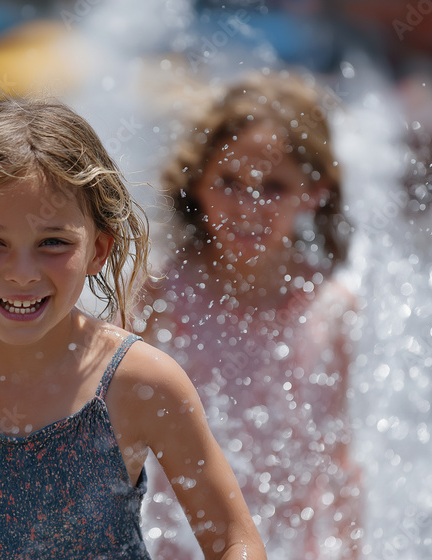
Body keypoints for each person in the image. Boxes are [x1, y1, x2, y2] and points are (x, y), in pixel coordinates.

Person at [0, 97, 266, 560]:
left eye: (53, 243)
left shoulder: (141, 385)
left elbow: (235, 541)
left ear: (98, 249)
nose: (22, 272)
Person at [140, 71, 361, 559]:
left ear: (314, 193)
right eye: (229, 182)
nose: (248, 205)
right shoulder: (162, 295)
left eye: (274, 186)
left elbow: (337, 458)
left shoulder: (330, 307)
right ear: (196, 181)